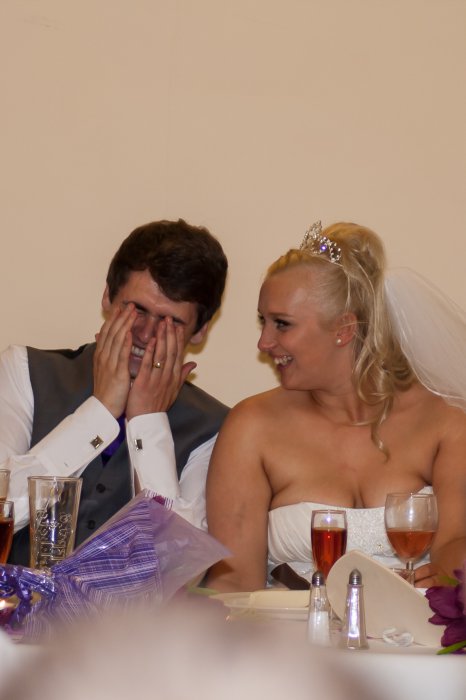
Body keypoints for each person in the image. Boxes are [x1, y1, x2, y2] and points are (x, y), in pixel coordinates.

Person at [205, 221, 466, 592]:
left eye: (282, 324)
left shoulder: (444, 419)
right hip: (289, 627)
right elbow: (233, 581)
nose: (264, 342)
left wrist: (449, 573)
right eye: (264, 322)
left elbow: (456, 543)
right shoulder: (252, 427)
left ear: (344, 329)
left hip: (413, 626)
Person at [0, 219, 229, 565]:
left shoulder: (215, 427)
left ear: (199, 331)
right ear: (108, 296)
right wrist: (100, 413)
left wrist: (148, 421)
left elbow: (173, 566)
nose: (146, 334)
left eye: (171, 322)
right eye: (137, 310)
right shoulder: (24, 370)